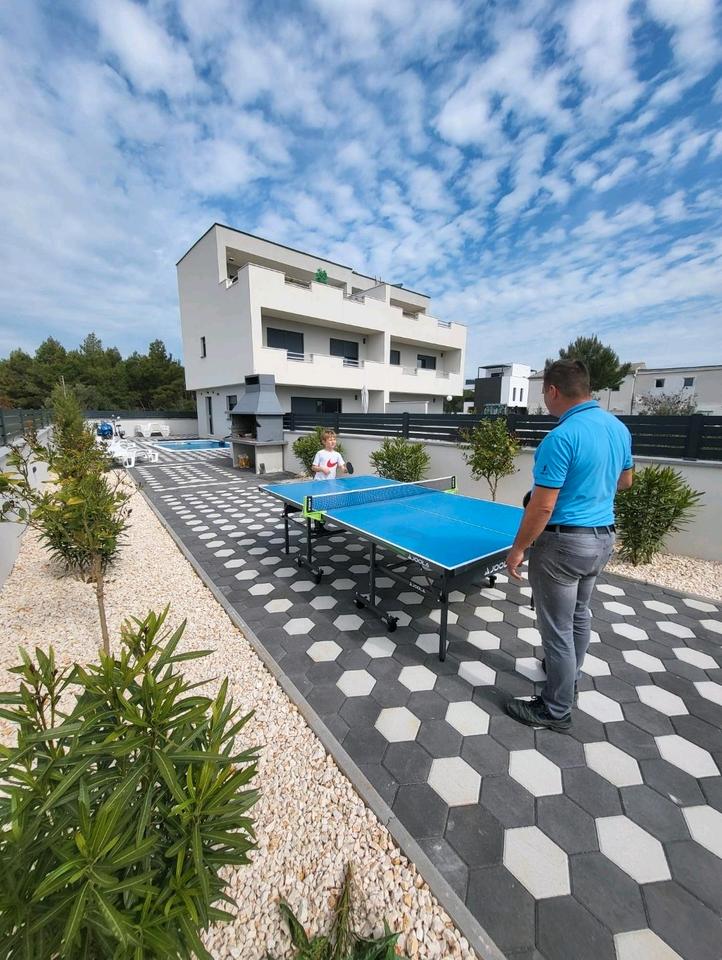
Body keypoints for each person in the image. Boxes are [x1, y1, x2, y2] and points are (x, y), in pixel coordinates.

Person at [505, 359, 634, 733]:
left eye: (543, 392)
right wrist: (589, 489)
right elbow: (625, 481)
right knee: (579, 615)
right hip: (602, 539)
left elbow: (542, 506)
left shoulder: (561, 437)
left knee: (557, 630)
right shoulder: (618, 428)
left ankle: (556, 709)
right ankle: (568, 676)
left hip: (563, 545)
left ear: (553, 391)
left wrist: (518, 549)